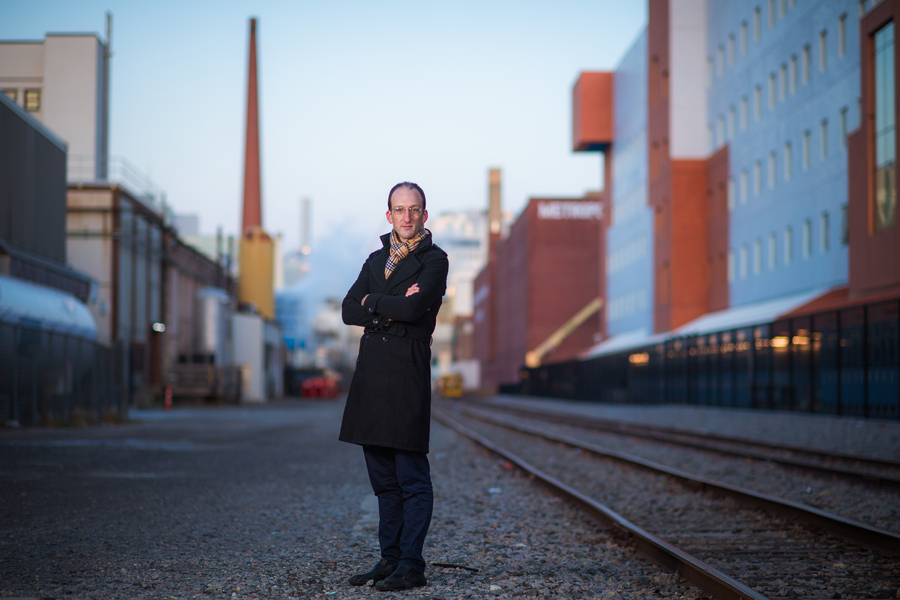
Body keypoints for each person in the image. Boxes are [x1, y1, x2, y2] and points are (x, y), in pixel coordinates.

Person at [340, 181, 449, 591]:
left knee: (411, 476)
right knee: (383, 478)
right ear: (389, 215)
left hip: (405, 369)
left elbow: (415, 307)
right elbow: (349, 309)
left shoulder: (434, 261)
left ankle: (412, 564)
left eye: (414, 209)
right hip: (372, 373)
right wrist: (388, 305)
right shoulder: (375, 258)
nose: (406, 217)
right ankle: (389, 559)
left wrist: (374, 301)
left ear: (424, 214)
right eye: (399, 210)